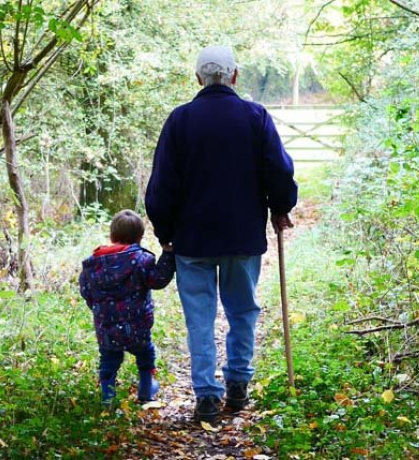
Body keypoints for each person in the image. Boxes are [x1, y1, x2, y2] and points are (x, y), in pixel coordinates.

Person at [145, 45, 298, 422]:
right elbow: (278, 171)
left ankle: (207, 397)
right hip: (241, 237)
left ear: (198, 78)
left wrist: (165, 233)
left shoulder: (180, 121)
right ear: (235, 76)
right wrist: (281, 207)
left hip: (191, 241)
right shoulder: (255, 116)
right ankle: (238, 386)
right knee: (242, 311)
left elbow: (162, 185)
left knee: (200, 318)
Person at [79, 209, 176, 405]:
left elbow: (86, 291)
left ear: (112, 235)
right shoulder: (141, 260)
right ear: (140, 237)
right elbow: (158, 280)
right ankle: (146, 389)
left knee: (109, 360)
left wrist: (100, 310)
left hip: (106, 327)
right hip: (137, 326)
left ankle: (108, 397)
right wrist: (168, 255)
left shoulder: (93, 264)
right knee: (145, 354)